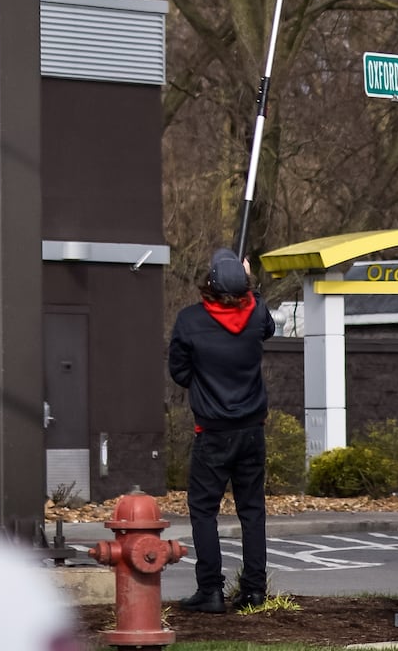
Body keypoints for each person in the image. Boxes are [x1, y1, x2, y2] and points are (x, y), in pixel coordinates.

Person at [167, 247, 276, 613]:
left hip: (212, 431)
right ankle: (255, 591)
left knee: (202, 511)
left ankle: (210, 590)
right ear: (245, 284)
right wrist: (251, 286)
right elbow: (267, 325)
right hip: (251, 431)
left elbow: (179, 372)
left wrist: (203, 379)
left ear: (209, 282)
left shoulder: (189, 321)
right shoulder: (257, 314)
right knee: (251, 510)